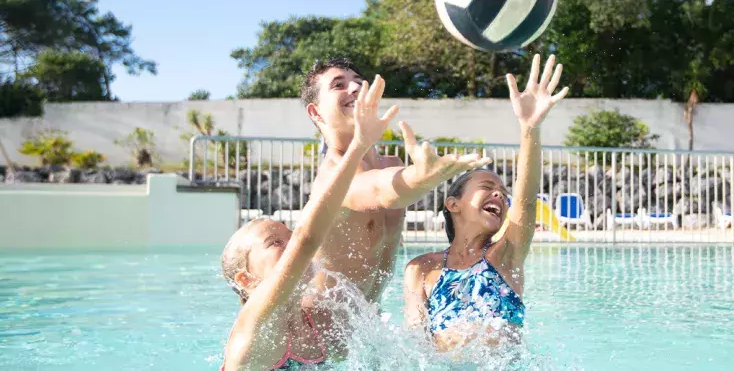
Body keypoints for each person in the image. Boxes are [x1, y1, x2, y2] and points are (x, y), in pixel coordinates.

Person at [219, 76, 395, 370]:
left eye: (289, 236)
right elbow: (308, 237)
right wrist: (358, 145)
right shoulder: (253, 326)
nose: (292, 245)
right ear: (247, 280)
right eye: (275, 243)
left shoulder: (319, 322)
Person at [403, 54, 568, 350]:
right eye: (487, 187)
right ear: (453, 204)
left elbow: (526, 201)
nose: (499, 195)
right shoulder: (420, 268)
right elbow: (417, 345)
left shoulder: (506, 255)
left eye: (503, 192)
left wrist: (530, 127)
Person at [299, 58, 491, 304]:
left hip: (368, 316)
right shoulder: (332, 175)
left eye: (358, 82)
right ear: (316, 112)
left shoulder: (391, 164)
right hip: (319, 321)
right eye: (338, 85)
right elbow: (382, 190)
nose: (355, 88)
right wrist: (422, 176)